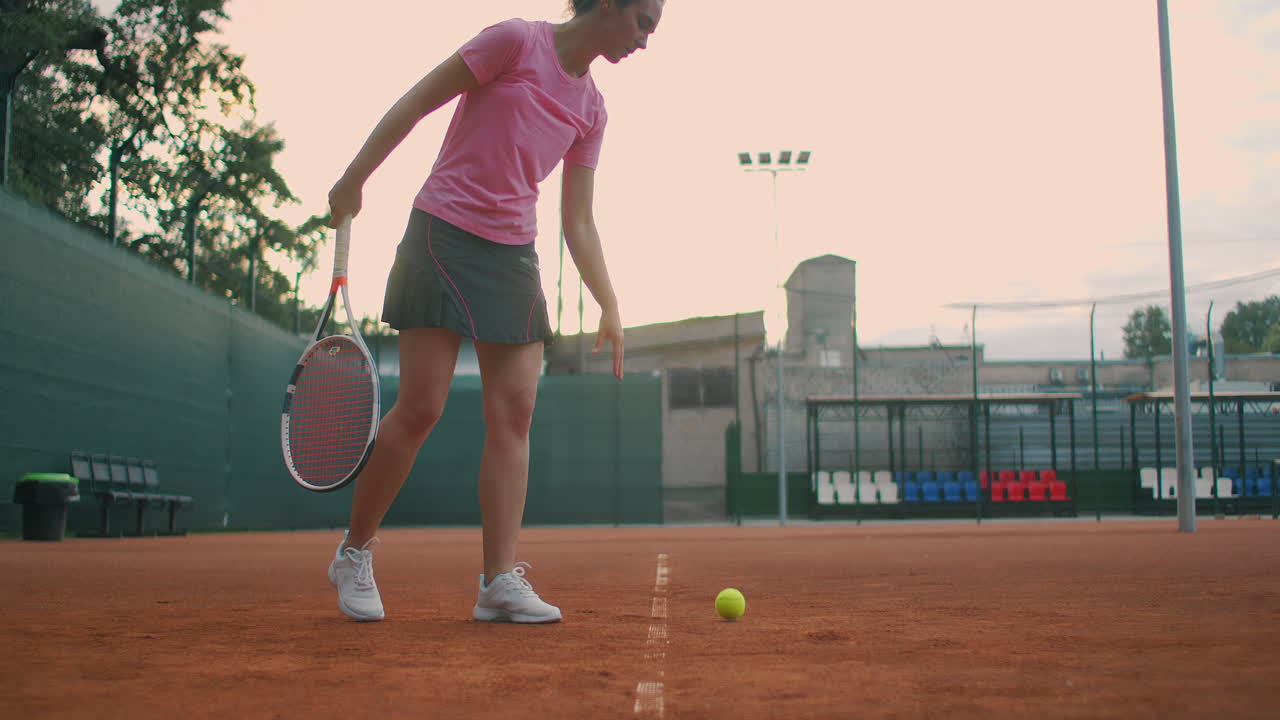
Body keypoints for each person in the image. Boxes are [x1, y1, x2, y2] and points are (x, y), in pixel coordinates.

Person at [324, 0, 664, 623]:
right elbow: (417, 101)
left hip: (513, 257)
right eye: (643, 22)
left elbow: (579, 220)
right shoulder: (513, 41)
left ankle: (498, 581)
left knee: (515, 412)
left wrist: (609, 300)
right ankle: (354, 552)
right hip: (443, 232)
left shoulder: (592, 109)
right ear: (610, 4)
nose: (645, 40)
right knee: (421, 408)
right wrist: (355, 178)